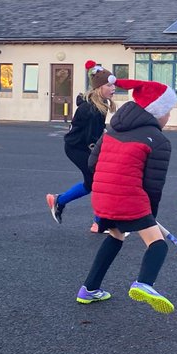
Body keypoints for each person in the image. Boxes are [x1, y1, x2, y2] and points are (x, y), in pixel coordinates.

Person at [76, 78, 177, 314]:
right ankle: (144, 283)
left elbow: (92, 163)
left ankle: (89, 289)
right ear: (156, 112)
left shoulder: (112, 130)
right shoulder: (159, 141)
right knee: (157, 244)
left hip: (103, 197)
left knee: (116, 236)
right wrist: (150, 216)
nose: (169, 116)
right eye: (168, 111)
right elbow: (153, 185)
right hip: (129, 199)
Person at [47, 61, 118, 233]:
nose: (113, 88)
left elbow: (97, 132)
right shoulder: (92, 108)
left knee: (91, 183)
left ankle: (59, 201)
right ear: (99, 87)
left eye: (113, 85)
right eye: (109, 85)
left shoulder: (99, 105)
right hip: (77, 149)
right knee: (101, 182)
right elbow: (92, 139)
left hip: (82, 147)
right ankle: (99, 223)